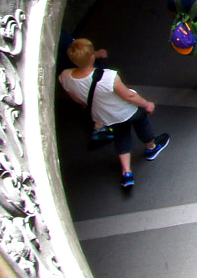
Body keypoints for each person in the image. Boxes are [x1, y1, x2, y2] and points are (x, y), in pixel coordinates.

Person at [59, 38, 168, 191]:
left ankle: (127, 173)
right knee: (141, 122)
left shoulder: (65, 76)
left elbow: (78, 100)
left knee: (121, 135)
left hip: (104, 116)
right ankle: (151, 148)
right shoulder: (108, 76)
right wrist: (146, 104)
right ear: (92, 57)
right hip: (126, 110)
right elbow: (128, 96)